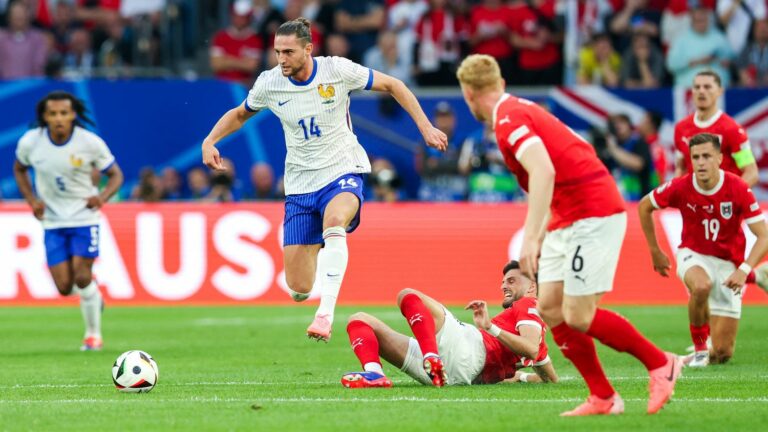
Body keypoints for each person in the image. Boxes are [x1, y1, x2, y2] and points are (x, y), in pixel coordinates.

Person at [456, 54, 681, 416]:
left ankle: (661, 364)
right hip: (568, 213)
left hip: (591, 211)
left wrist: (530, 238)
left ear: (468, 94)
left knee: (578, 314)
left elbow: (542, 171)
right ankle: (603, 397)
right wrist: (545, 229)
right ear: (499, 83)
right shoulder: (516, 109)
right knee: (549, 307)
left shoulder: (508, 119)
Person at [201, 18, 447, 342]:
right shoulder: (270, 83)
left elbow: (394, 85)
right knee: (299, 288)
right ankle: (321, 247)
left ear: (308, 48)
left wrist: (425, 127)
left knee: (334, 221)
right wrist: (209, 141)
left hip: (342, 169)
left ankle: (325, 315)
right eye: (277, 52)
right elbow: (240, 114)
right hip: (301, 183)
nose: (281, 59)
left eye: (288, 52)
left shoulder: (337, 70)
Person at [638, 133, 768, 367]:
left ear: (719, 158)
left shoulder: (737, 187)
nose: (700, 162)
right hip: (693, 254)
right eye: (695, 157)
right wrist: (655, 250)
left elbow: (764, 235)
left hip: (729, 264)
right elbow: (644, 206)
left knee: (722, 354)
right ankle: (699, 349)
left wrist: (743, 269)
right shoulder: (681, 186)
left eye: (706, 156)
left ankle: (754, 275)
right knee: (701, 286)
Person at [13, 91, 124, 351]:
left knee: (83, 276)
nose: (59, 118)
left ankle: (93, 336)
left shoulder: (89, 142)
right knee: (64, 287)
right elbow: (19, 168)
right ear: (45, 116)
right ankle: (93, 296)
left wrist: (103, 197)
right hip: (52, 220)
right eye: (53, 114)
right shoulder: (31, 142)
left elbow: (116, 174)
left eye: (64, 113)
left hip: (85, 217)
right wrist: (31, 200)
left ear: (73, 114)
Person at [341, 261, 558, 388]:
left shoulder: (529, 303)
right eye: (503, 282)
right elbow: (549, 379)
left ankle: (431, 356)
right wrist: (521, 378)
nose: (504, 286)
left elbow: (530, 348)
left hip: (467, 350)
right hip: (457, 376)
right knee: (360, 319)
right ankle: (375, 374)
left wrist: (490, 327)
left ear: (532, 288)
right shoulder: (534, 332)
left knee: (408, 295)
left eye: (512, 281)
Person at [674, 71, 758, 186]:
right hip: (695, 203)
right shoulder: (681, 128)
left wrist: (731, 198)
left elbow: (751, 172)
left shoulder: (732, 129)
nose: (701, 91)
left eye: (707, 87)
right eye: (697, 87)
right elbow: (681, 168)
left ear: (720, 91)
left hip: (725, 201)